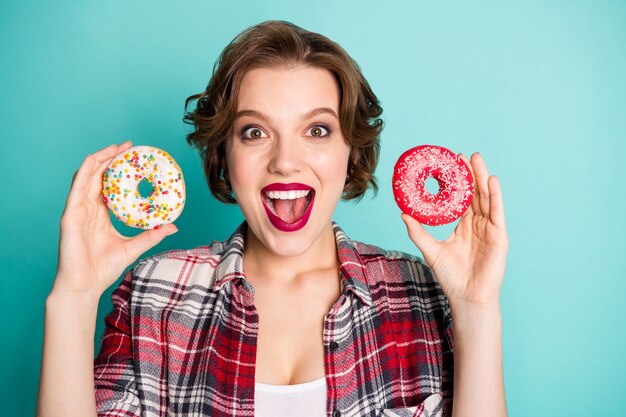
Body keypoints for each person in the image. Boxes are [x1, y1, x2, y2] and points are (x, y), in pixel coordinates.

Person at [36, 20, 509, 417]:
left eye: (317, 130)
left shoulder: (420, 293)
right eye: (255, 131)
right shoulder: (154, 293)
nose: (286, 160)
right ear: (224, 154)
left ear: (351, 151)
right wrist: (73, 300)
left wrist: (476, 311)